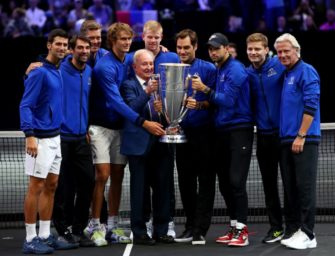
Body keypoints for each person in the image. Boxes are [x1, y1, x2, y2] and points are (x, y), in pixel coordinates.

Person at [84, 22, 165, 246]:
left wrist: (161, 49)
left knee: (118, 175)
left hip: (120, 127)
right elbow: (117, 103)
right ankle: (95, 224)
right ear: (113, 42)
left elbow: (144, 60)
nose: (127, 43)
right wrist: (143, 122)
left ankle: (112, 225)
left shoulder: (128, 59)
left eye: (129, 39)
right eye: (122, 39)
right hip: (100, 127)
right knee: (102, 174)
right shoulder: (104, 68)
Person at [192, 33, 254, 247]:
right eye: (210, 49)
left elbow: (227, 101)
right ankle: (234, 226)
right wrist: (201, 103)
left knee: (236, 181)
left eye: (216, 48)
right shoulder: (220, 69)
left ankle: (242, 232)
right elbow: (218, 102)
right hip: (223, 131)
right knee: (227, 183)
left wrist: (204, 90)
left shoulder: (235, 69)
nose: (213, 52)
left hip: (239, 130)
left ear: (226, 48)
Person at [19, 28, 75, 254]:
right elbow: (25, 105)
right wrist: (29, 135)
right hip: (39, 139)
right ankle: (30, 239)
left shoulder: (58, 69)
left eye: (65, 44)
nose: (62, 48)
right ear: (48, 45)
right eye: (58, 44)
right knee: (36, 187)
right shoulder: (40, 72)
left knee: (51, 186)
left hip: (55, 137)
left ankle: (44, 234)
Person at [120, 49, 174, 245]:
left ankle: (161, 230)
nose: (149, 68)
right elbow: (130, 109)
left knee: (162, 190)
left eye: (151, 64)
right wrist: (147, 92)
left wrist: (168, 120)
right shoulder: (128, 85)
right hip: (139, 146)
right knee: (139, 191)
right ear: (135, 67)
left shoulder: (161, 85)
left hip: (161, 145)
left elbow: (165, 113)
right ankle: (140, 231)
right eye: (145, 64)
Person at [274, 33, 320, 250]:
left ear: (296, 51)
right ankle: (297, 230)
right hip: (286, 140)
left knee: (304, 187)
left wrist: (301, 135)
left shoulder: (306, 71)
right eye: (279, 52)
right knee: (291, 189)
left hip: (304, 139)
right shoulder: (286, 74)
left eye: (286, 51)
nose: (282, 55)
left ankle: (309, 234)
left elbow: (312, 104)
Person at [50, 34, 95, 248]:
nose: (84, 51)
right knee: (61, 188)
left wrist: (85, 127)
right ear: (72, 50)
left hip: (81, 139)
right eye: (80, 48)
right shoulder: (58, 69)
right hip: (61, 138)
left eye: (87, 47)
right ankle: (62, 229)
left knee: (88, 183)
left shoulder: (89, 72)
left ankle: (78, 228)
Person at [173, 29, 216, 245]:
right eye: (179, 47)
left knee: (205, 181)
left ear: (195, 46)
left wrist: (199, 104)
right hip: (181, 134)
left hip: (204, 134)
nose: (182, 51)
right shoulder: (172, 68)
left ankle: (200, 229)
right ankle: (189, 226)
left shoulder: (208, 69)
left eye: (186, 47)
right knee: (185, 182)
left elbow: (214, 101)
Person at [246, 33, 286, 243]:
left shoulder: (280, 66)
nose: (253, 52)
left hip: (284, 136)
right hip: (263, 137)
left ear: (266, 49)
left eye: (257, 49)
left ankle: (296, 226)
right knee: (269, 185)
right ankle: (276, 228)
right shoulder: (247, 74)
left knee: (291, 184)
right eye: (250, 49)